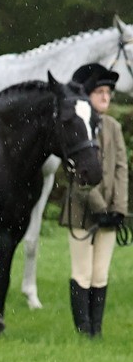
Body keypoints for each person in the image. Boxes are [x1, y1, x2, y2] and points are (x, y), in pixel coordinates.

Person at [61, 63, 127, 337]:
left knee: (101, 273)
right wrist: (99, 207)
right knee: (83, 272)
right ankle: (83, 329)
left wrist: (119, 209)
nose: (105, 97)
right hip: (82, 212)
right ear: (87, 96)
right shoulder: (78, 126)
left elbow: (122, 168)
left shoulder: (113, 126)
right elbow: (78, 175)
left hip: (110, 213)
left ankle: (96, 330)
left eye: (108, 92)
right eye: (99, 92)